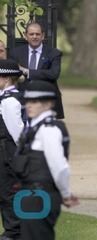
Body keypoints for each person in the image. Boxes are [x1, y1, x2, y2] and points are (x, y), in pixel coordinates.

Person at [12, 80, 79, 240]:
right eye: (28, 101)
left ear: (48, 104)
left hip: (41, 195)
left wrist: (65, 194)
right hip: (31, 193)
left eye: (35, 102)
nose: (29, 105)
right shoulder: (35, 127)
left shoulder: (48, 129)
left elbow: (59, 166)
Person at [8, 22, 65, 119]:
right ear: (25, 36)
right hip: (22, 98)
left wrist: (26, 71)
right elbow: (12, 75)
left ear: (43, 36)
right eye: (31, 34)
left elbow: (53, 74)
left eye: (37, 34)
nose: (34, 37)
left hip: (46, 99)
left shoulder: (54, 53)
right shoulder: (15, 53)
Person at [0, 59, 25, 240]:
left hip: (8, 150)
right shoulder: (10, 98)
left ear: (6, 77)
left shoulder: (9, 102)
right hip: (7, 149)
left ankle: (13, 231)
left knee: (8, 190)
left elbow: (17, 132)